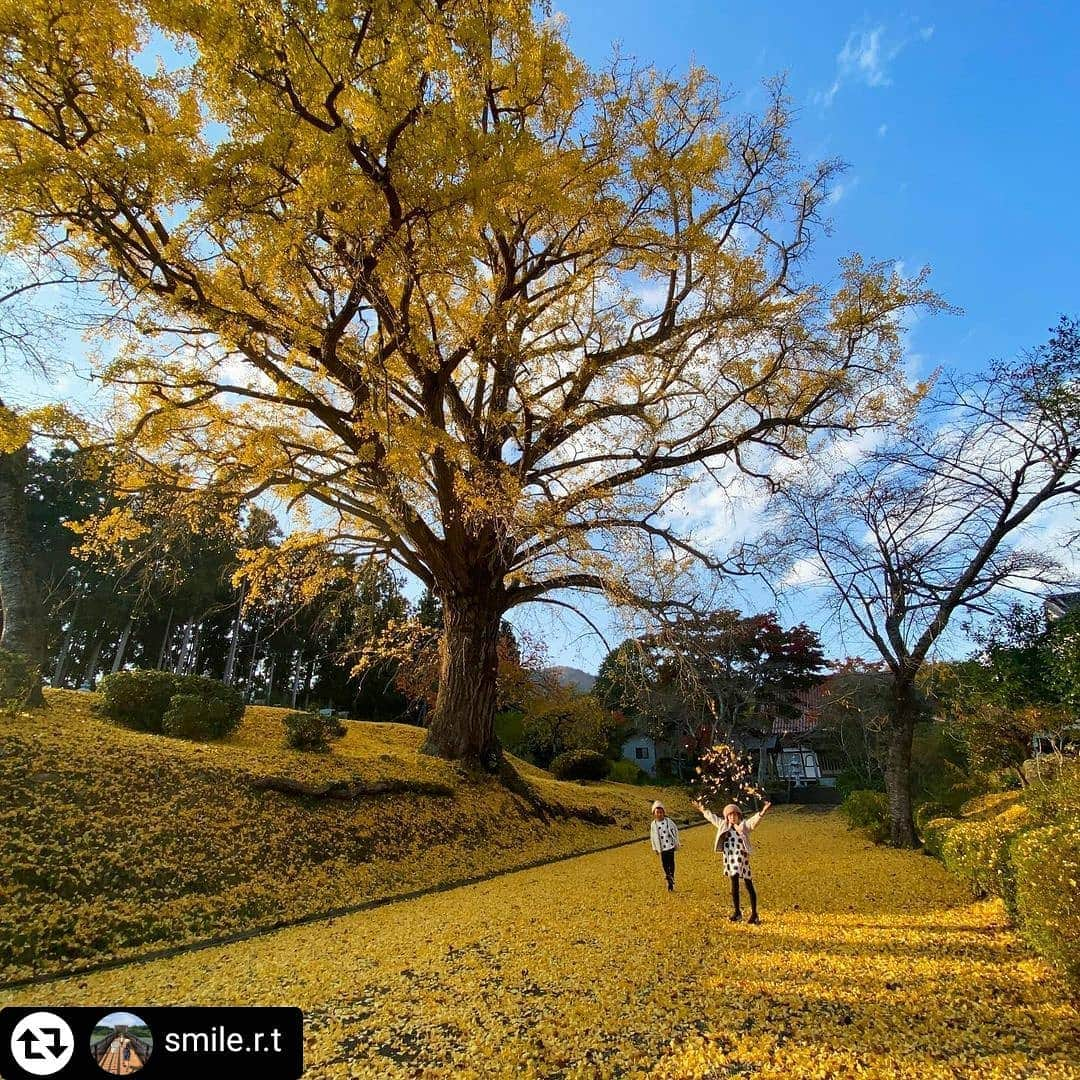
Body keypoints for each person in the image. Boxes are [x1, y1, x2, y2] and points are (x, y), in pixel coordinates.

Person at [692, 798, 772, 923]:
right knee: (734, 885)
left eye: (734, 814)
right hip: (730, 859)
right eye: (730, 815)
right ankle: (737, 912)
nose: (732, 817)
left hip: (742, 860)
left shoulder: (743, 826)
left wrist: (763, 812)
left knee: (748, 885)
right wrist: (703, 810)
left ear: (739, 815)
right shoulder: (724, 826)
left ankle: (754, 913)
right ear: (727, 817)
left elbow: (754, 822)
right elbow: (713, 818)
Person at [649, 800, 680, 891]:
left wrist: (676, 842)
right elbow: (652, 837)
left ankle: (672, 876)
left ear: (664, 813)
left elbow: (675, 831)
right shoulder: (653, 825)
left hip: (670, 845)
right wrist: (655, 848)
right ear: (654, 814)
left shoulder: (669, 821)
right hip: (662, 847)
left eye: (661, 812)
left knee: (671, 862)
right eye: (657, 813)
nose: (659, 814)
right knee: (664, 863)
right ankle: (668, 876)